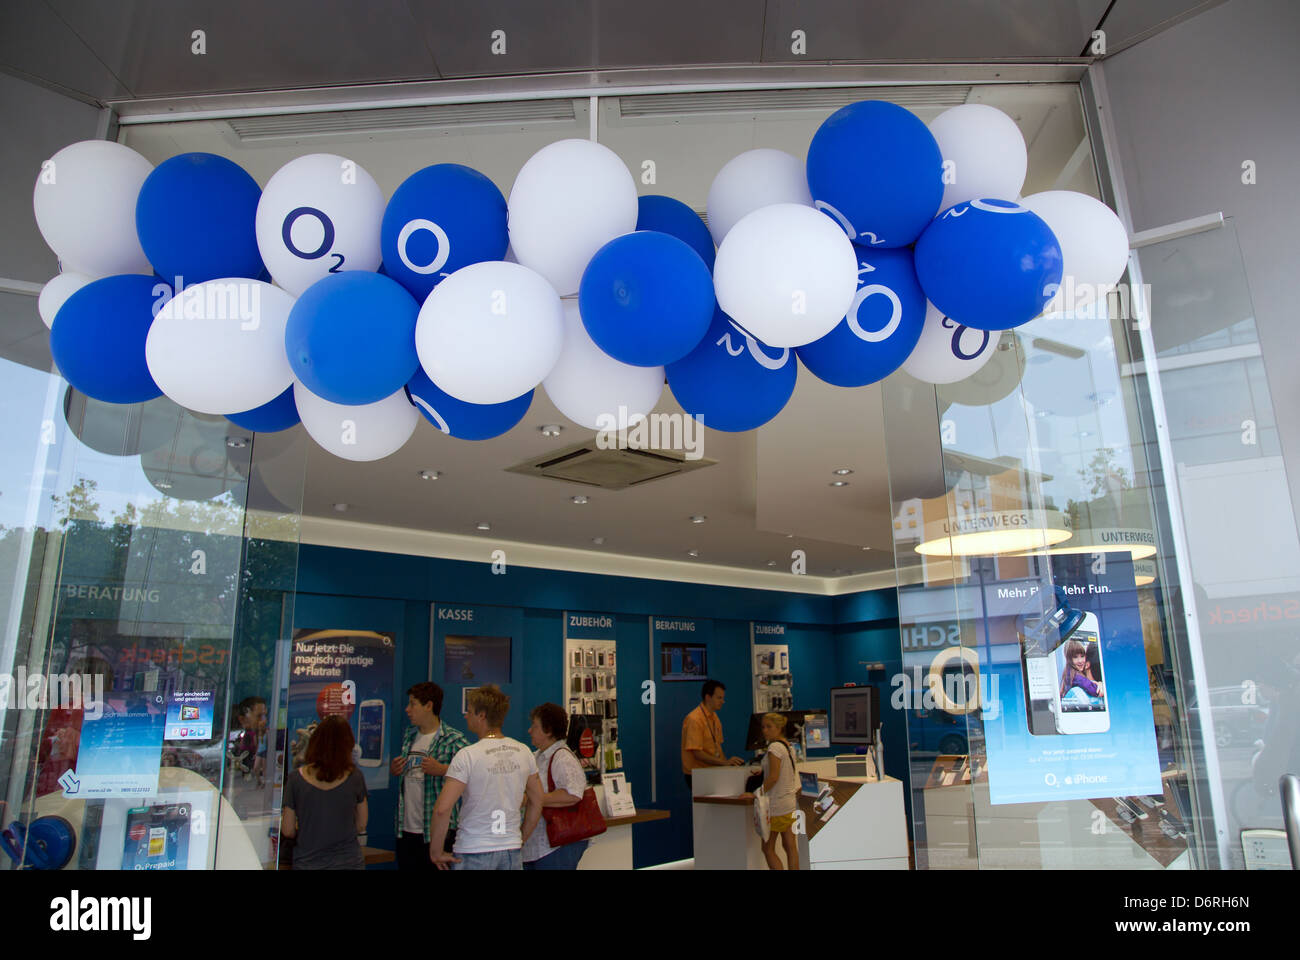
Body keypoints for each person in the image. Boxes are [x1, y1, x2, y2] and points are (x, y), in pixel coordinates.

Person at [428, 684, 543, 870]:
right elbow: (537, 801)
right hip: (511, 850)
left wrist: (436, 851)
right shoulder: (524, 752)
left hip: (473, 849)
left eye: (470, 711)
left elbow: (443, 808)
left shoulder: (467, 756)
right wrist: (520, 837)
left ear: (482, 716)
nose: (466, 715)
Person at [390, 681, 470, 870]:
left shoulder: (454, 739)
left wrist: (442, 769)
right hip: (406, 829)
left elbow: (474, 776)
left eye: (412, 704)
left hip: (437, 832)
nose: (407, 709)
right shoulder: (409, 736)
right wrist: (396, 769)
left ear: (429, 706)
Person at [280, 715, 368, 870]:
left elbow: (287, 829)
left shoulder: (295, 779)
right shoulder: (355, 777)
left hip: (308, 862)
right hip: (349, 862)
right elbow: (361, 825)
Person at [522, 702, 589, 870]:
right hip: (538, 845)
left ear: (549, 730)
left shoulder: (562, 758)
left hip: (557, 846)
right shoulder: (536, 756)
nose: (529, 730)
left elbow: (573, 794)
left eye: (535, 726)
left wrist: (535, 799)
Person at [681, 679, 743, 790]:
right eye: (719, 698)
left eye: (723, 698)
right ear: (708, 697)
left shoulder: (715, 718)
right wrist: (724, 763)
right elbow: (697, 753)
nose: (723, 701)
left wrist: (728, 766)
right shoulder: (694, 719)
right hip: (698, 774)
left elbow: (718, 747)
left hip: (712, 771)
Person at [757, 712, 800, 870]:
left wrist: (757, 792)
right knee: (790, 846)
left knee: (767, 849)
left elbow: (774, 777)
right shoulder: (788, 746)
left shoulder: (774, 747)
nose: (765, 730)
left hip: (776, 806)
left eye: (769, 727)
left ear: (779, 727)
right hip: (789, 804)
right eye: (763, 727)